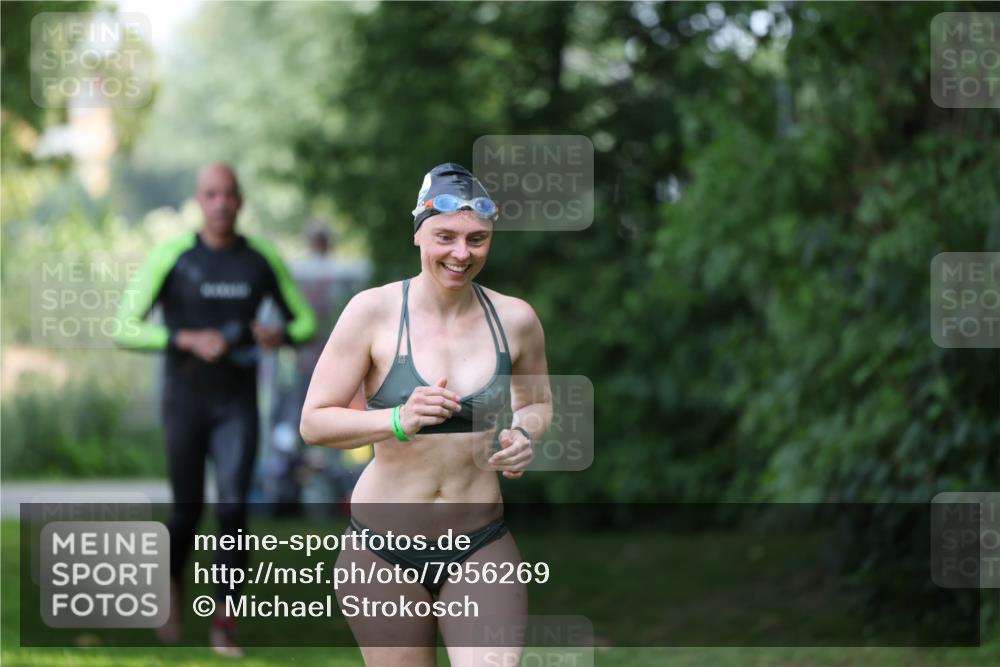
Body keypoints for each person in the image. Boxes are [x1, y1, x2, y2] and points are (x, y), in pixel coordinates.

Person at [300, 163, 552, 666]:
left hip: (480, 544)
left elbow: (537, 403)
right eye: (446, 237)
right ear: (419, 234)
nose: (462, 253)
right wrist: (396, 420)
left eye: (477, 239)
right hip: (382, 550)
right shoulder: (371, 312)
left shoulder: (516, 319)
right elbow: (314, 422)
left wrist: (525, 433)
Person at [115, 163, 317, 657]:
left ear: (240, 201)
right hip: (184, 401)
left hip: (237, 405)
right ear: (198, 201)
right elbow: (124, 326)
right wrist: (184, 337)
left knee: (232, 509)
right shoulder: (173, 256)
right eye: (211, 194)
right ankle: (170, 584)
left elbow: (307, 320)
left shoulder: (260, 259)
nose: (221, 203)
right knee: (186, 510)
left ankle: (225, 623)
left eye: (229, 194)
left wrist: (281, 334)